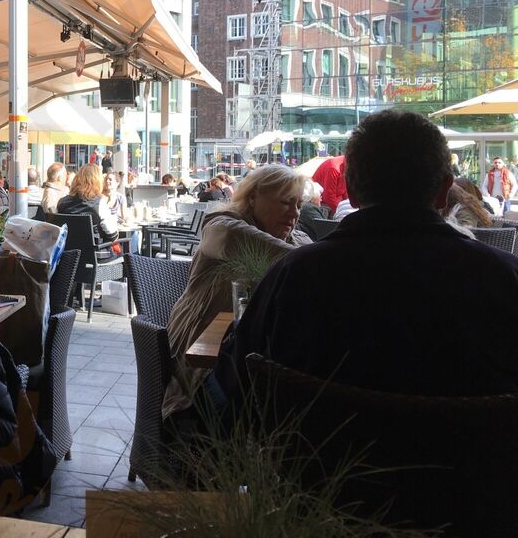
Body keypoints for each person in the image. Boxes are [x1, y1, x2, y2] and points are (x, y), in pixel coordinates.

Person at [217, 110, 518, 410]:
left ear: (351, 191)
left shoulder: (293, 277)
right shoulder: (505, 279)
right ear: (444, 191)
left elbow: (236, 381)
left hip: (319, 442)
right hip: (469, 443)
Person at [163, 165, 310, 420]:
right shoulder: (222, 227)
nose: (294, 213)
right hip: (204, 351)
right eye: (286, 202)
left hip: (258, 349)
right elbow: (301, 263)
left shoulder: (298, 241)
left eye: (299, 205)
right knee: (249, 409)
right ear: (253, 197)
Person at [55, 163, 119, 244]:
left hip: (68, 250)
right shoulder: (99, 203)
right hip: (94, 250)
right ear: (98, 181)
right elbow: (112, 235)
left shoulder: (62, 202)